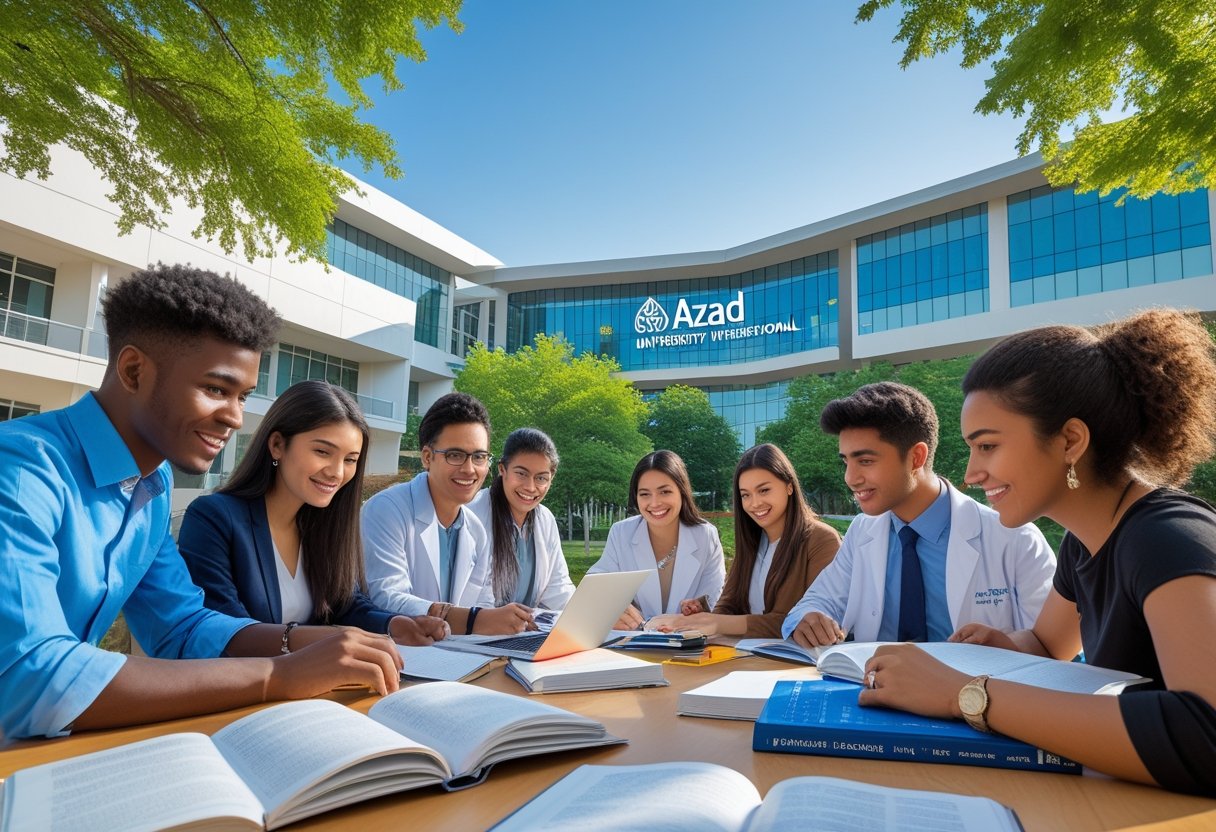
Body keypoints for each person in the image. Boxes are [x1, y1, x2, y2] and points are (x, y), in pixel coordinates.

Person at [0, 264, 403, 744]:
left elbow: (183, 627)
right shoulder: (22, 467)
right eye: (216, 389)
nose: (234, 417)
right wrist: (278, 676)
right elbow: (31, 673)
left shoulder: (151, 485)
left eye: (243, 395)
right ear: (133, 371)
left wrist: (304, 642)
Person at [858, 309, 1216, 796]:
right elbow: (1048, 646)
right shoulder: (1081, 542)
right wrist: (996, 644)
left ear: (1071, 440)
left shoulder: (1168, 538)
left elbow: (1204, 731)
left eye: (986, 446)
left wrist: (961, 695)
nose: (970, 474)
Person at [783, 381, 1056, 648]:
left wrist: (1004, 646)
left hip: (972, 690)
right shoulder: (862, 531)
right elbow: (817, 601)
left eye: (865, 461)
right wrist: (807, 618)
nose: (850, 478)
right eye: (846, 461)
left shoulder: (1016, 538)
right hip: (872, 687)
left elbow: (1052, 648)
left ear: (916, 458)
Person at [178, 380, 448, 646]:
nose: (337, 472)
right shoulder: (214, 519)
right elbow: (226, 634)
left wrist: (394, 624)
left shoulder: (322, 524)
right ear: (277, 445)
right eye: (322, 451)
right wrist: (331, 639)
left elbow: (345, 605)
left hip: (323, 687)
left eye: (350, 460)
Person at [362, 392, 534, 635]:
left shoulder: (476, 530)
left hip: (456, 658)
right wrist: (473, 619)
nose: (469, 469)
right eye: (455, 455)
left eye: (479, 457)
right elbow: (386, 597)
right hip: (397, 655)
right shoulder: (387, 509)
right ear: (427, 457)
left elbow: (483, 604)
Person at [649, 444, 841, 637]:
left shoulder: (821, 540)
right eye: (745, 495)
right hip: (746, 657)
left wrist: (718, 623)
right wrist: (704, 615)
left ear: (789, 486)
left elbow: (804, 622)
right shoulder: (752, 541)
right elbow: (729, 603)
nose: (755, 503)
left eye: (764, 490)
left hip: (797, 663)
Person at [588, 450, 727, 629]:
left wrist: (695, 610)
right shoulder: (621, 532)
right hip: (633, 643)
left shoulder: (706, 536)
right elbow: (596, 585)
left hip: (686, 642)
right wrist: (612, 607)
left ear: (682, 492)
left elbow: (712, 600)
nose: (654, 503)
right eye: (645, 494)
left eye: (665, 492)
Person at [468, 427, 575, 610]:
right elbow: (468, 598)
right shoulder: (472, 516)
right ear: (503, 469)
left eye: (541, 478)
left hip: (528, 632)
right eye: (521, 474)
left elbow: (559, 590)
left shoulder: (545, 519)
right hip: (479, 633)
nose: (531, 487)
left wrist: (598, 611)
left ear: (551, 479)